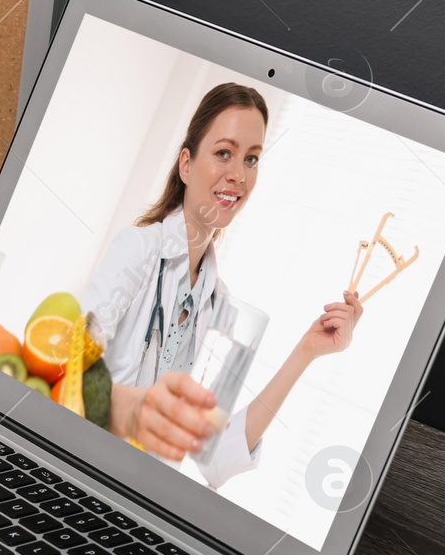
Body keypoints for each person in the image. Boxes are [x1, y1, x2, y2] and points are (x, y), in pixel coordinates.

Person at [81, 82, 363, 488]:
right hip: (83, 476)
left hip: (143, 499)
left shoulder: (218, 303)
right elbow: (67, 371)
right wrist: (143, 407)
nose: (238, 175)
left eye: (251, 159)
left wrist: (307, 351)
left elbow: (213, 455)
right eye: (224, 153)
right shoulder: (139, 250)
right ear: (186, 164)